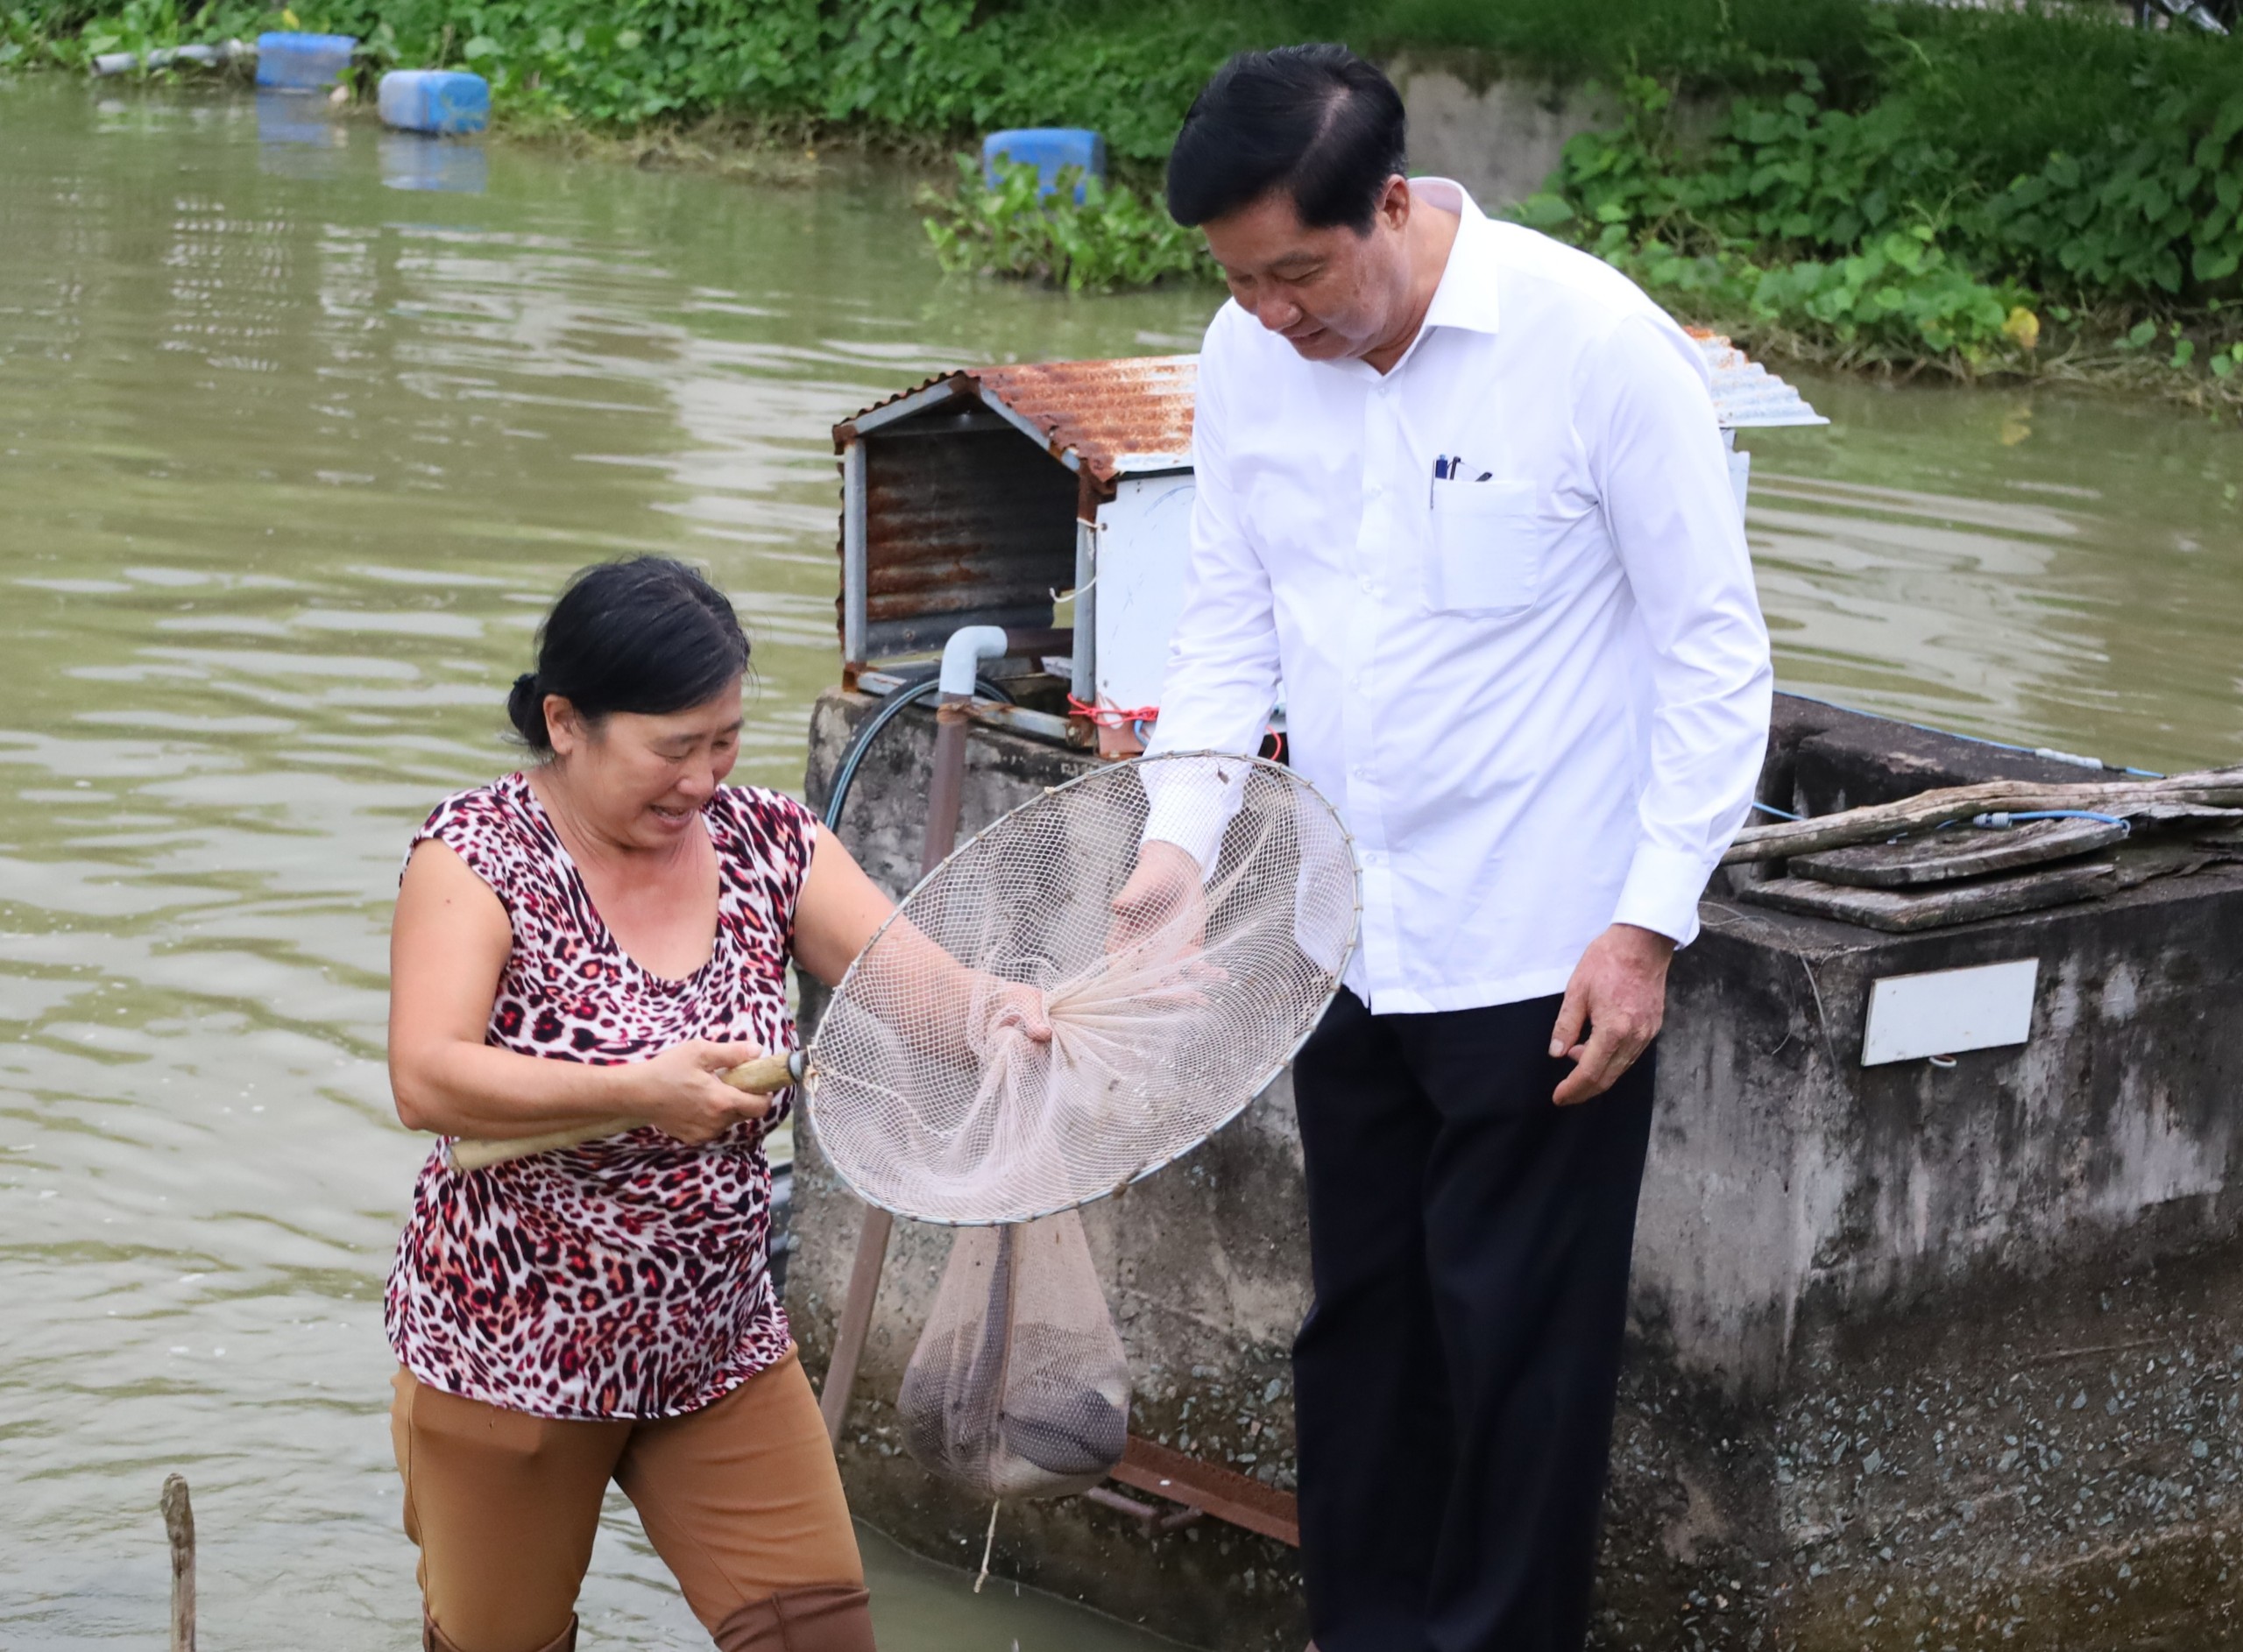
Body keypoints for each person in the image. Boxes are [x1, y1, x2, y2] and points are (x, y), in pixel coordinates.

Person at [1122, 46, 1775, 1652]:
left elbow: (1713, 653)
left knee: (1520, 1360)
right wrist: (1176, 848)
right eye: (1239, 279)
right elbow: (1227, 627)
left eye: (1297, 270)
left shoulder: (1594, 347)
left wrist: (1647, 926)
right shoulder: (1247, 351)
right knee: (1365, 1343)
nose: (1272, 311)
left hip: (1543, 956)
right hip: (1347, 942)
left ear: (1394, 204)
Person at [383, 557, 909, 1652]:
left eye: (725, 740)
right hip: (514, 1346)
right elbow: (425, 1075)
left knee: (822, 1638)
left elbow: (920, 985)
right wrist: (638, 1092)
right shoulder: (478, 853)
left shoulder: (768, 842)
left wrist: (1031, 1013)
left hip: (714, 1339)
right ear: (566, 722)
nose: (704, 777)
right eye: (674, 747)